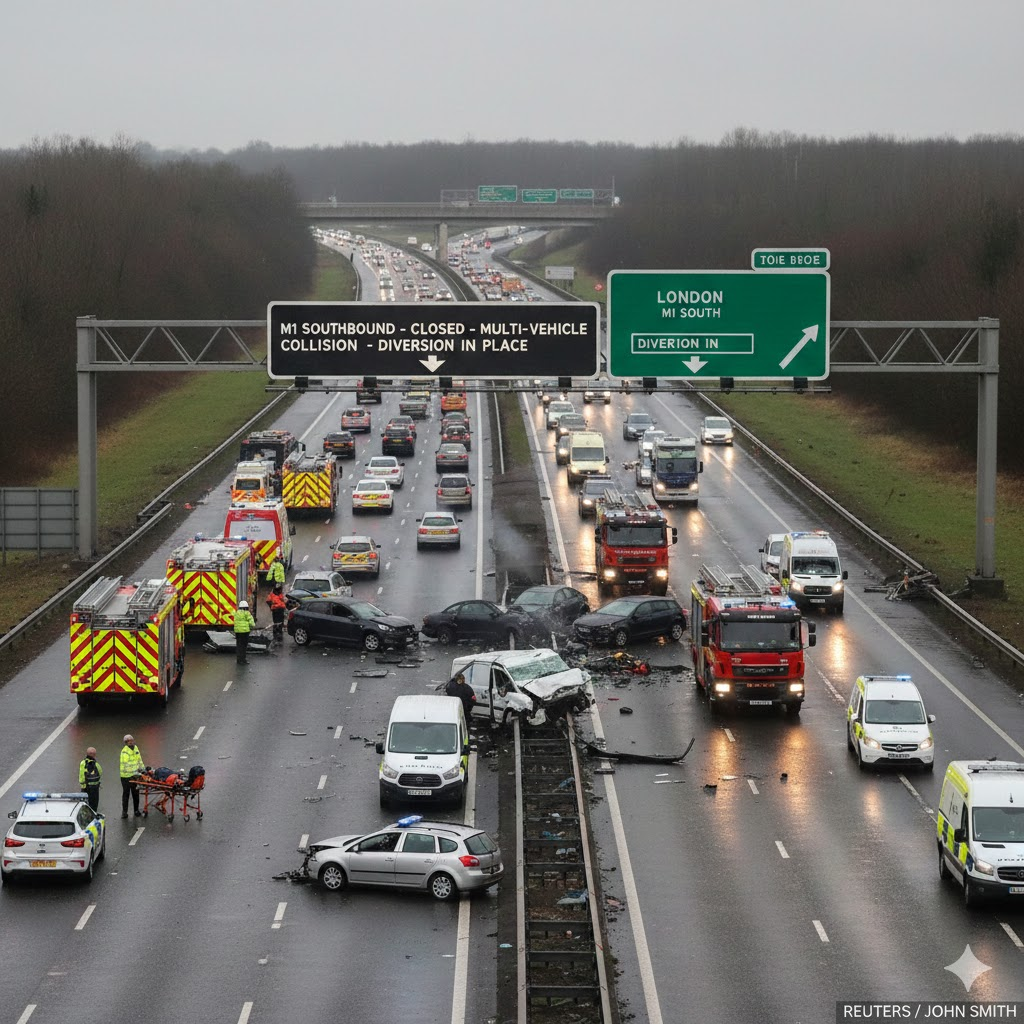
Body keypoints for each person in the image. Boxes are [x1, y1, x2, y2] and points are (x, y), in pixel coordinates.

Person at [119, 735, 145, 818]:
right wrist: (136, 772)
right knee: (126, 794)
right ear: (126, 742)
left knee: (135, 793)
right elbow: (127, 765)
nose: (132, 742)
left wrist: (143, 770)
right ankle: (124, 812)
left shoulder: (136, 748)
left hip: (135, 775)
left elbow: (139, 760)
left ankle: (136, 810)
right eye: (129, 741)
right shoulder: (124, 752)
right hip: (126, 776)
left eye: (132, 740)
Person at [79, 746, 102, 811]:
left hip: (85, 787)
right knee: (94, 804)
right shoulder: (96, 764)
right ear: (94, 755)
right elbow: (100, 772)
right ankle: (93, 816)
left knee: (85, 804)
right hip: (94, 787)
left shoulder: (83, 763)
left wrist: (83, 785)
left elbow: (81, 776)